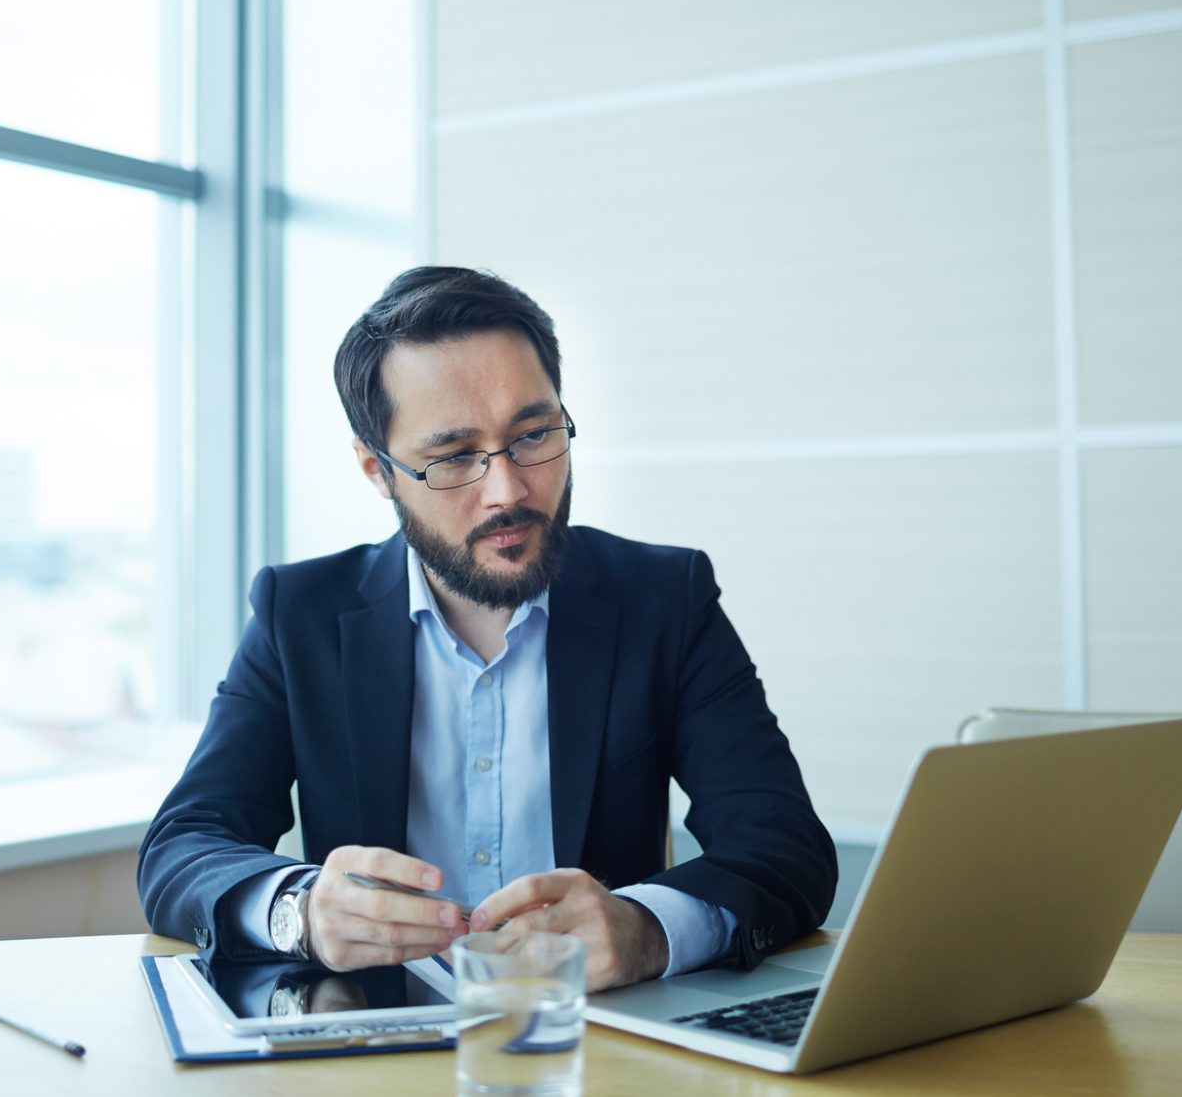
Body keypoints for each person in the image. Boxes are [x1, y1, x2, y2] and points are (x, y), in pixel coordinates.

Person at [138, 267, 835, 990]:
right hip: (371, 1051)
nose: (508, 491)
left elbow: (786, 848)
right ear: (377, 469)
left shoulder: (664, 599)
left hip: (598, 1051)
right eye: (454, 458)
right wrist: (299, 910)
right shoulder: (300, 613)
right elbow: (184, 845)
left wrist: (647, 929)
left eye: (534, 435)